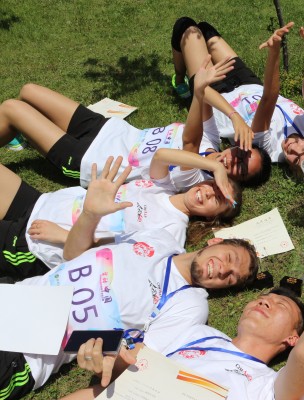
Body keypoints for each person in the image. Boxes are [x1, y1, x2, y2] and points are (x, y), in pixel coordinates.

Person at [0, 157, 259, 399]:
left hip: (25, 352)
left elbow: (139, 360)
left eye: (231, 278)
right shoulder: (160, 237)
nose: (224, 270)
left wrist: (108, 359)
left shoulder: (190, 304)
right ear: (215, 242)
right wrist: (90, 215)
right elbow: (73, 255)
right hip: (16, 295)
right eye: (229, 258)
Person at [0, 56, 271, 189]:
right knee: (29, 91)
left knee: (13, 109)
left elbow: (190, 140)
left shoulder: (196, 178)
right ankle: (20, 132)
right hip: (105, 128)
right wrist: (234, 115)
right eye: (242, 155)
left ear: (236, 181)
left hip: (91, 160)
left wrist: (199, 92)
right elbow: (207, 97)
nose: (233, 161)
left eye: (241, 170)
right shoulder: (212, 139)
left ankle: (18, 131)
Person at [0, 148, 241, 281]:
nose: (208, 193)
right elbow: (161, 155)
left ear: (212, 218)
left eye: (217, 200)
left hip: (37, 242)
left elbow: (116, 255)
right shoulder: (163, 187)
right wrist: (215, 166)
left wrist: (63, 235)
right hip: (41, 202)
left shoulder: (172, 233)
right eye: (214, 186)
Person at [63, 287, 304, 400]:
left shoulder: (271, 385)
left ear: (292, 338)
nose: (265, 301)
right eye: (263, 297)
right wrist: (108, 364)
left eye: (281, 305)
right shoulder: (198, 333)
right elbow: (134, 366)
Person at [171, 17, 304, 173]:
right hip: (247, 83)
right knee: (206, 31)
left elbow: (269, 97)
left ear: (292, 169)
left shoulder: (269, 151)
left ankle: (179, 80)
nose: (294, 149)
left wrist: (274, 51)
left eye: (296, 160)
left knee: (187, 28)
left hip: (216, 97)